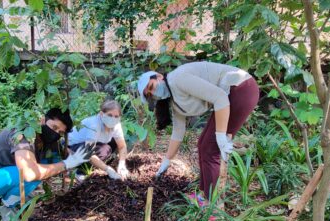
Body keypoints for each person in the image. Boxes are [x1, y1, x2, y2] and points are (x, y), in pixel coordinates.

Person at [137, 61, 259, 198]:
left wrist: (220, 137)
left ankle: (213, 206)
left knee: (210, 149)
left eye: (152, 86)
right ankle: (204, 195)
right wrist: (166, 161)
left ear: (159, 76)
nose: (154, 93)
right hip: (230, 95)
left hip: (241, 88)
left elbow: (220, 98)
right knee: (203, 144)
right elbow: (178, 133)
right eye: (150, 94)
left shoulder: (178, 79)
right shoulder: (174, 100)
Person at [0, 108, 91, 221]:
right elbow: (29, 173)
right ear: (43, 120)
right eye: (54, 127)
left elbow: (58, 160)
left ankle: (13, 198)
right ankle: (6, 205)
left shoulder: (49, 140)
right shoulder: (23, 134)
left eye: (60, 132)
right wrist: (66, 164)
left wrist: (83, 161)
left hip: (7, 174)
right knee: (32, 173)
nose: (55, 133)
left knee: (45, 167)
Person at [68, 100, 129, 180]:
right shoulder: (94, 125)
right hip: (71, 148)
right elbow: (88, 152)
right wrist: (109, 170)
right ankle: (79, 171)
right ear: (101, 114)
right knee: (104, 150)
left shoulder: (116, 125)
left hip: (90, 145)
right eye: (109, 115)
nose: (113, 118)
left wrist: (122, 164)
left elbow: (122, 146)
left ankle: (96, 164)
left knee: (114, 142)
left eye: (116, 116)